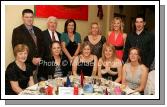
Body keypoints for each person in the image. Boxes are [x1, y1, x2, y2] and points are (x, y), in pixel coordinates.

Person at [12, 9, 43, 83]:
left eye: (31, 17)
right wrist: (31, 59)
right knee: (28, 88)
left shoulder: (38, 30)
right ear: (22, 18)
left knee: (39, 86)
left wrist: (40, 58)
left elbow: (42, 46)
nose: (29, 19)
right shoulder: (17, 31)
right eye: (27, 17)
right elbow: (16, 49)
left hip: (39, 64)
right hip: (26, 64)